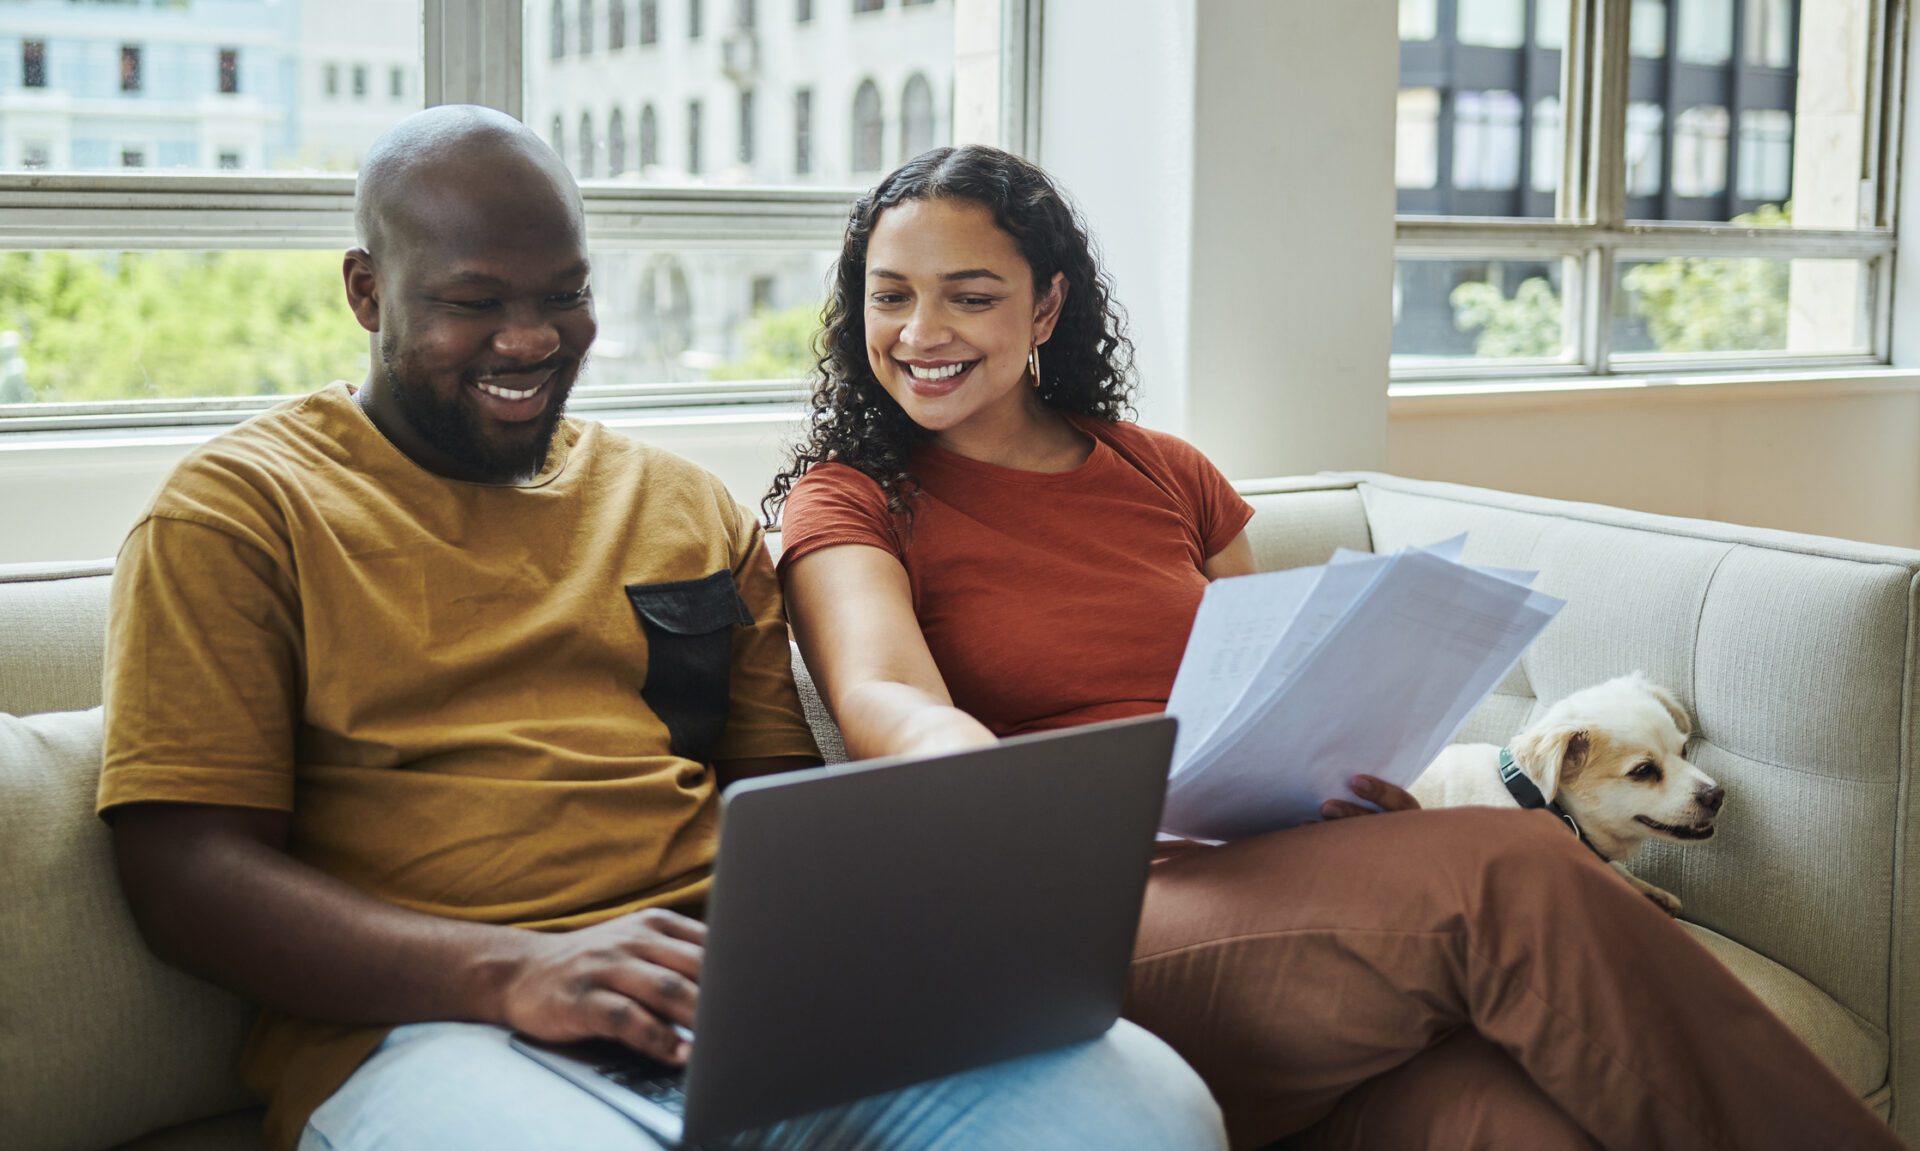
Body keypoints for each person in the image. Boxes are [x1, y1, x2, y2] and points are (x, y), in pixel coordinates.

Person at [96, 107, 1226, 1151]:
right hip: (440, 1027)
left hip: (735, 999)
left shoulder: (682, 507)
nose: (530, 339)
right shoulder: (239, 512)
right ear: (366, 290)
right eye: (473, 301)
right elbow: (182, 877)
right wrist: (514, 970)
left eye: (564, 295)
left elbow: (778, 806)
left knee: (1146, 1110)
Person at [770, 144, 1908, 1151]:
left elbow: (1278, 686)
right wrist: (1010, 787)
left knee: (1525, 1123)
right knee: (1513, 864)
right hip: (1076, 904)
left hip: (1267, 885)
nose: (919, 333)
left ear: (1046, 306)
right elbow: (886, 699)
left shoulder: (1166, 472)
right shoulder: (852, 497)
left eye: (969, 296)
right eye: (890, 296)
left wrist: (1347, 787)